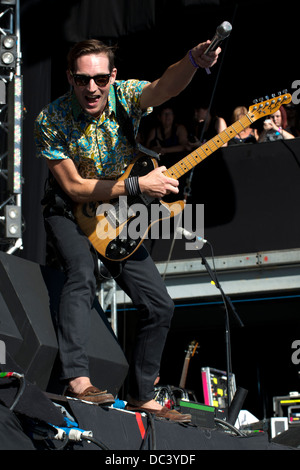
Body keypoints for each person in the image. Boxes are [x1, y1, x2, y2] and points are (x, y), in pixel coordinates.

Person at [34, 38, 220, 422]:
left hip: (117, 214)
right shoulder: (50, 120)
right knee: (82, 274)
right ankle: (77, 380)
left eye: (101, 79)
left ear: (112, 76)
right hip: (68, 212)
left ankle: (141, 394)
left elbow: (164, 86)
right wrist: (139, 185)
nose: (92, 88)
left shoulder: (126, 96)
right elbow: (72, 187)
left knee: (160, 305)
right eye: (83, 79)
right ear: (70, 78)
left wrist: (192, 60)